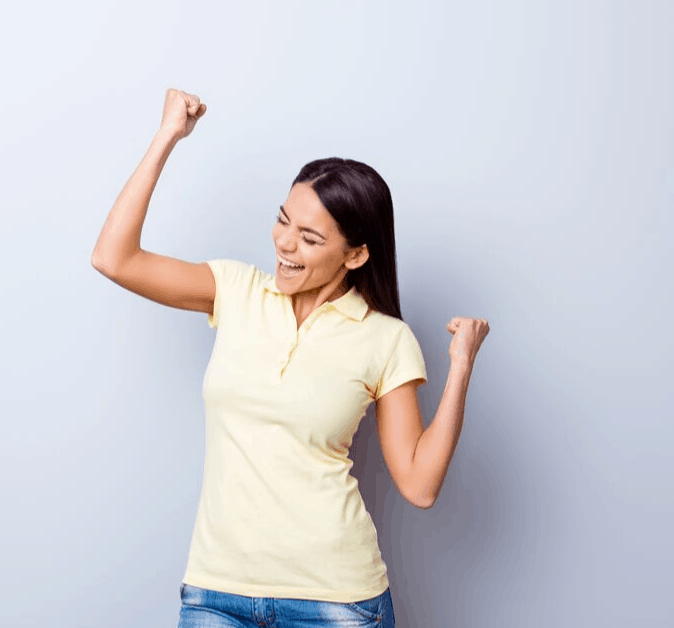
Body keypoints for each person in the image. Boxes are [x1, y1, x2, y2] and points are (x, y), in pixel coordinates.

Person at [92, 88, 490, 628]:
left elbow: (419, 485)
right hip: (215, 590)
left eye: (308, 237)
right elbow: (114, 258)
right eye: (283, 221)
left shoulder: (385, 339)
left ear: (356, 254)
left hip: (336, 600)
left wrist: (461, 366)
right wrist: (167, 136)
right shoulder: (236, 291)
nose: (284, 244)